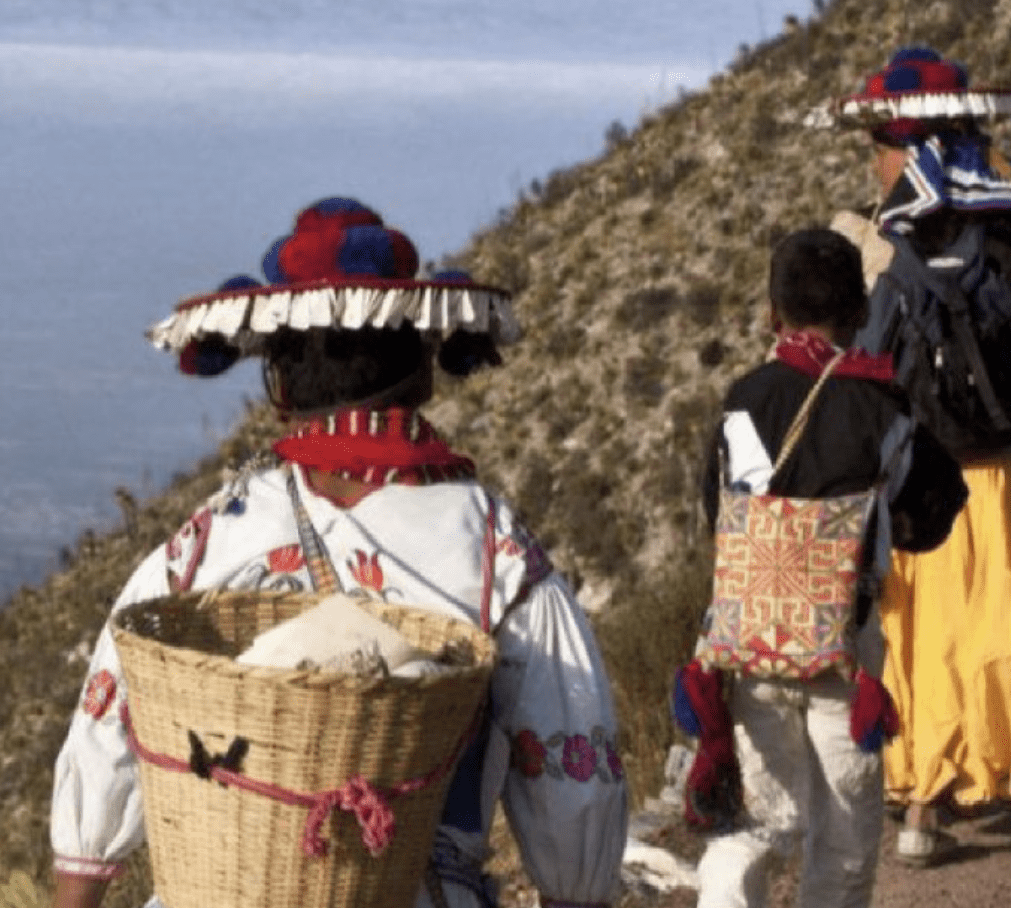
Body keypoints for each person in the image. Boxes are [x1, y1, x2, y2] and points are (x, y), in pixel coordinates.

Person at [48, 197, 630, 908]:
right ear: (421, 370)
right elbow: (571, 770)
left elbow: (109, 727)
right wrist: (576, 887)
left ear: (282, 387)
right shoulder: (493, 550)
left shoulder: (210, 540)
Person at [824, 46, 1011, 865]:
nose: (873, 162)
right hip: (1010, 471)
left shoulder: (871, 243)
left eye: (879, 144)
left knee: (926, 638)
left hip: (915, 481)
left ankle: (923, 802)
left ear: (905, 146)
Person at [679, 229, 966, 908]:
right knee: (842, 841)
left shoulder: (743, 401)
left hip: (750, 644)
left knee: (757, 821)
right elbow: (934, 510)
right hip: (843, 653)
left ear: (772, 313)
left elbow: (716, 509)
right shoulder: (883, 407)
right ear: (861, 311)